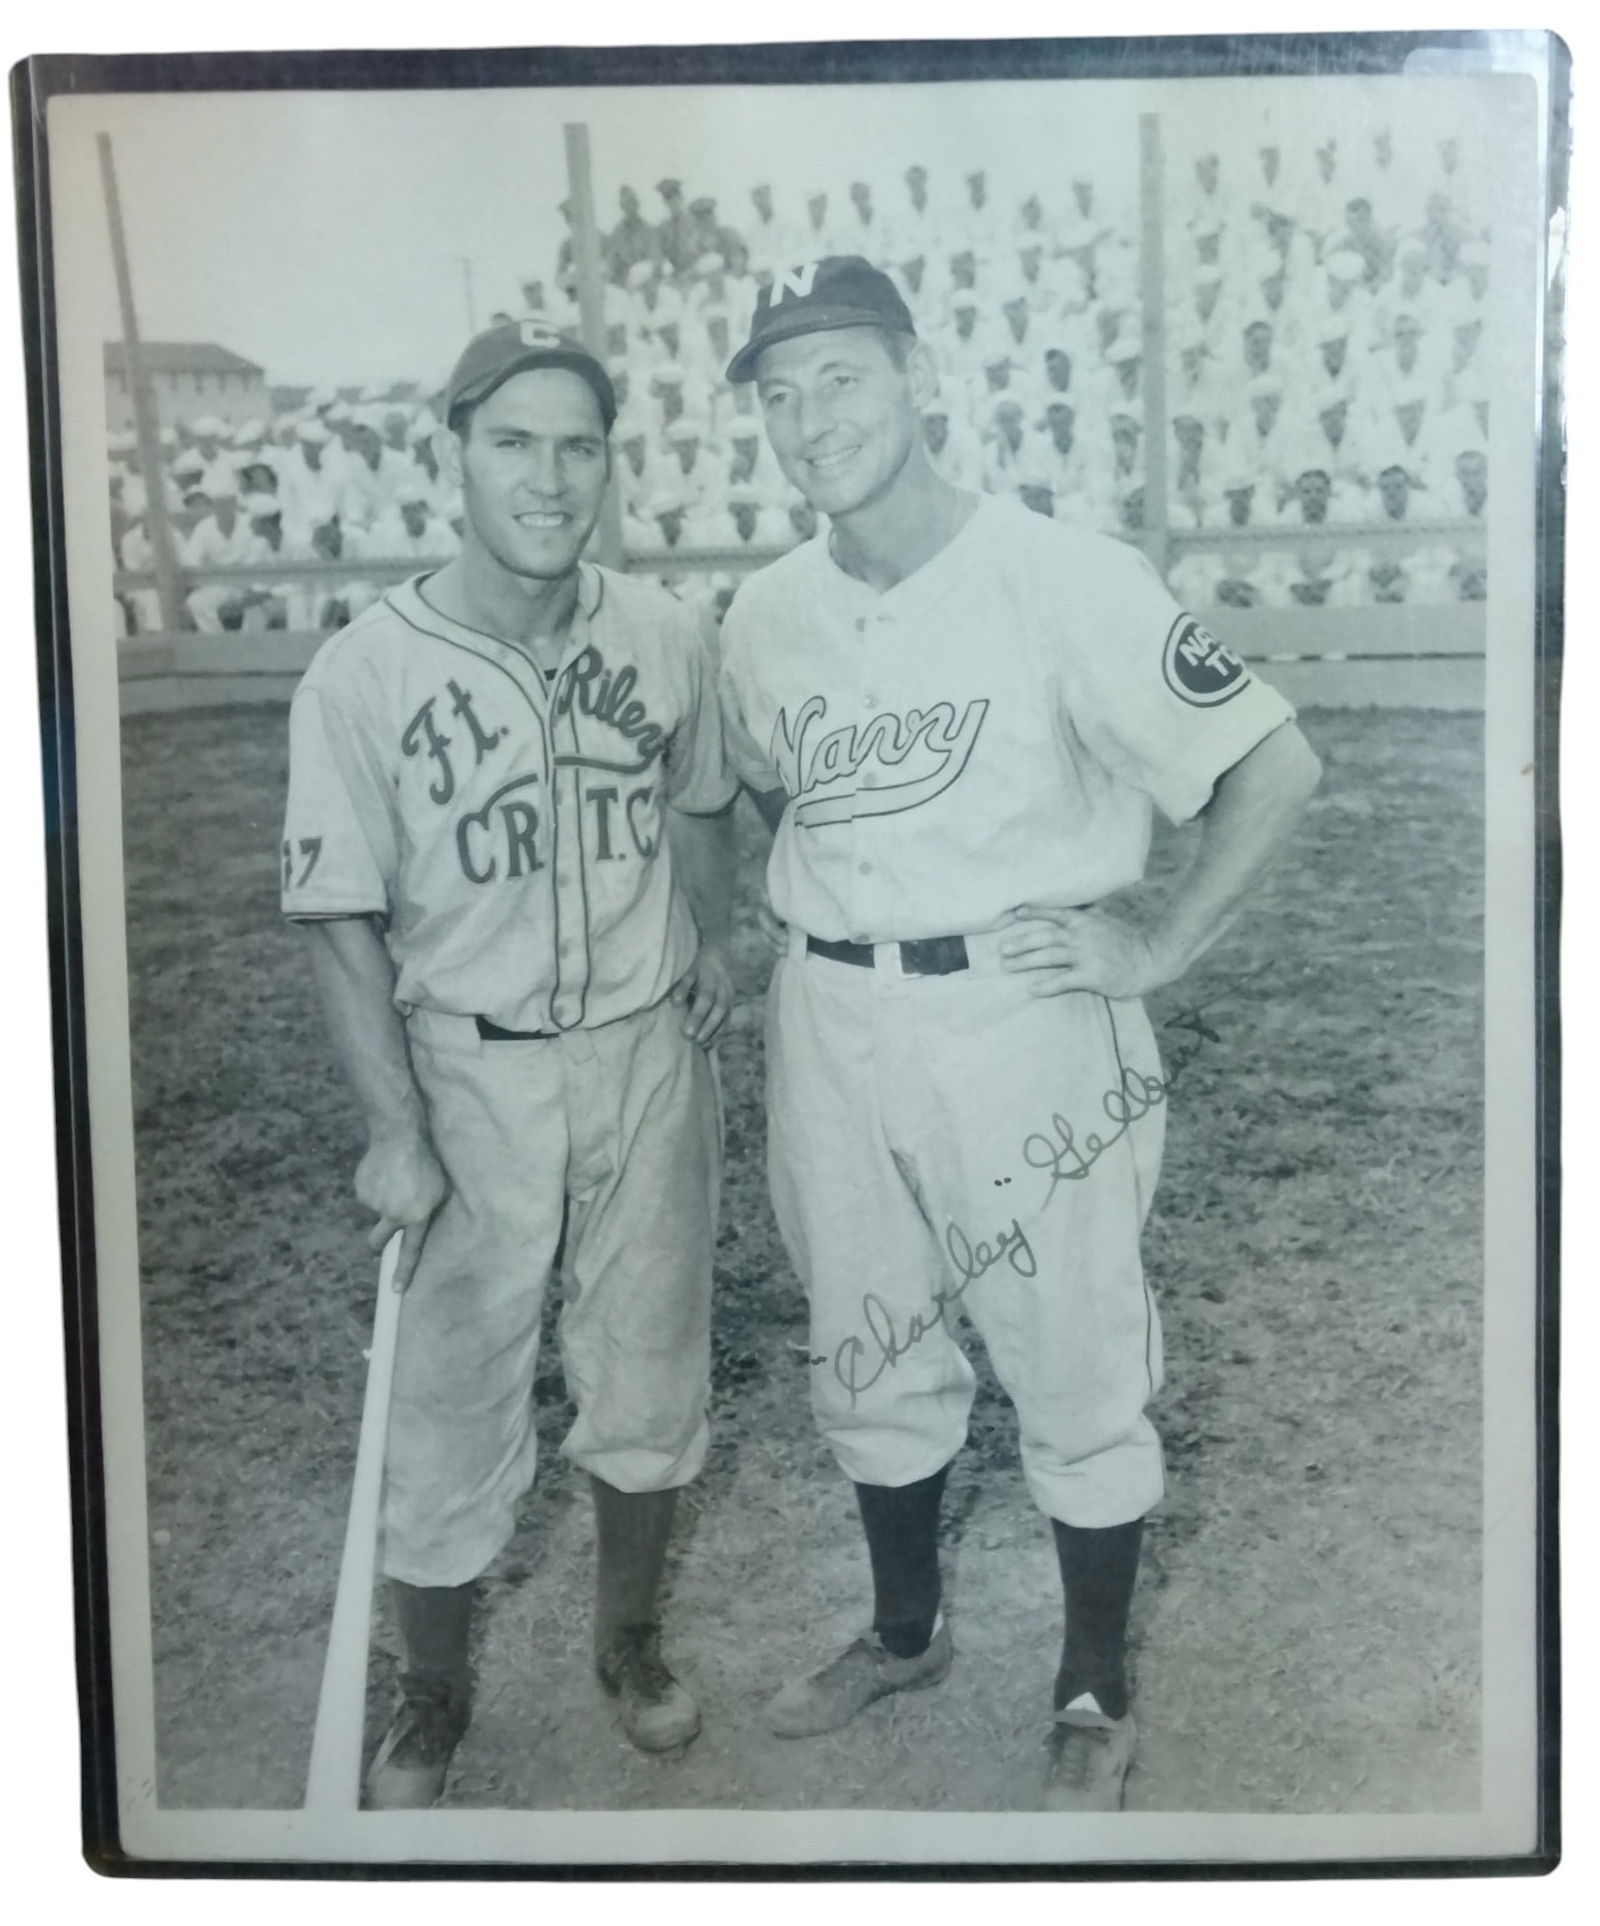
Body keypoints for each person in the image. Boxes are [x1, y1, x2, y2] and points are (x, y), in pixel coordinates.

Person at [715, 257, 1320, 1811]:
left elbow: (1273, 762)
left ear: (920, 378)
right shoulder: (766, 611)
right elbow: (770, 798)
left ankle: (1093, 1679)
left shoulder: (1064, 573)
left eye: (839, 375)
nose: (807, 416)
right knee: (869, 1337)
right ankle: (906, 1629)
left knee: (1071, 1353)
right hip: (831, 1014)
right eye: (777, 394)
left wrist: (1162, 942)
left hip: (1028, 1012)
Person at [280, 322, 739, 1808]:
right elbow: (339, 913)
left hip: (641, 1053)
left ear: (610, 462)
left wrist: (718, 949)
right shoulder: (361, 671)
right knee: (449, 1397)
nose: (551, 478)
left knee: (651, 1371)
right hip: (468, 1073)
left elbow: (704, 802)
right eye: (516, 444)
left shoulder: (666, 634)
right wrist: (390, 1125)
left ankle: (631, 1640)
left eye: (580, 446)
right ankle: (433, 1687)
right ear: (453, 455)